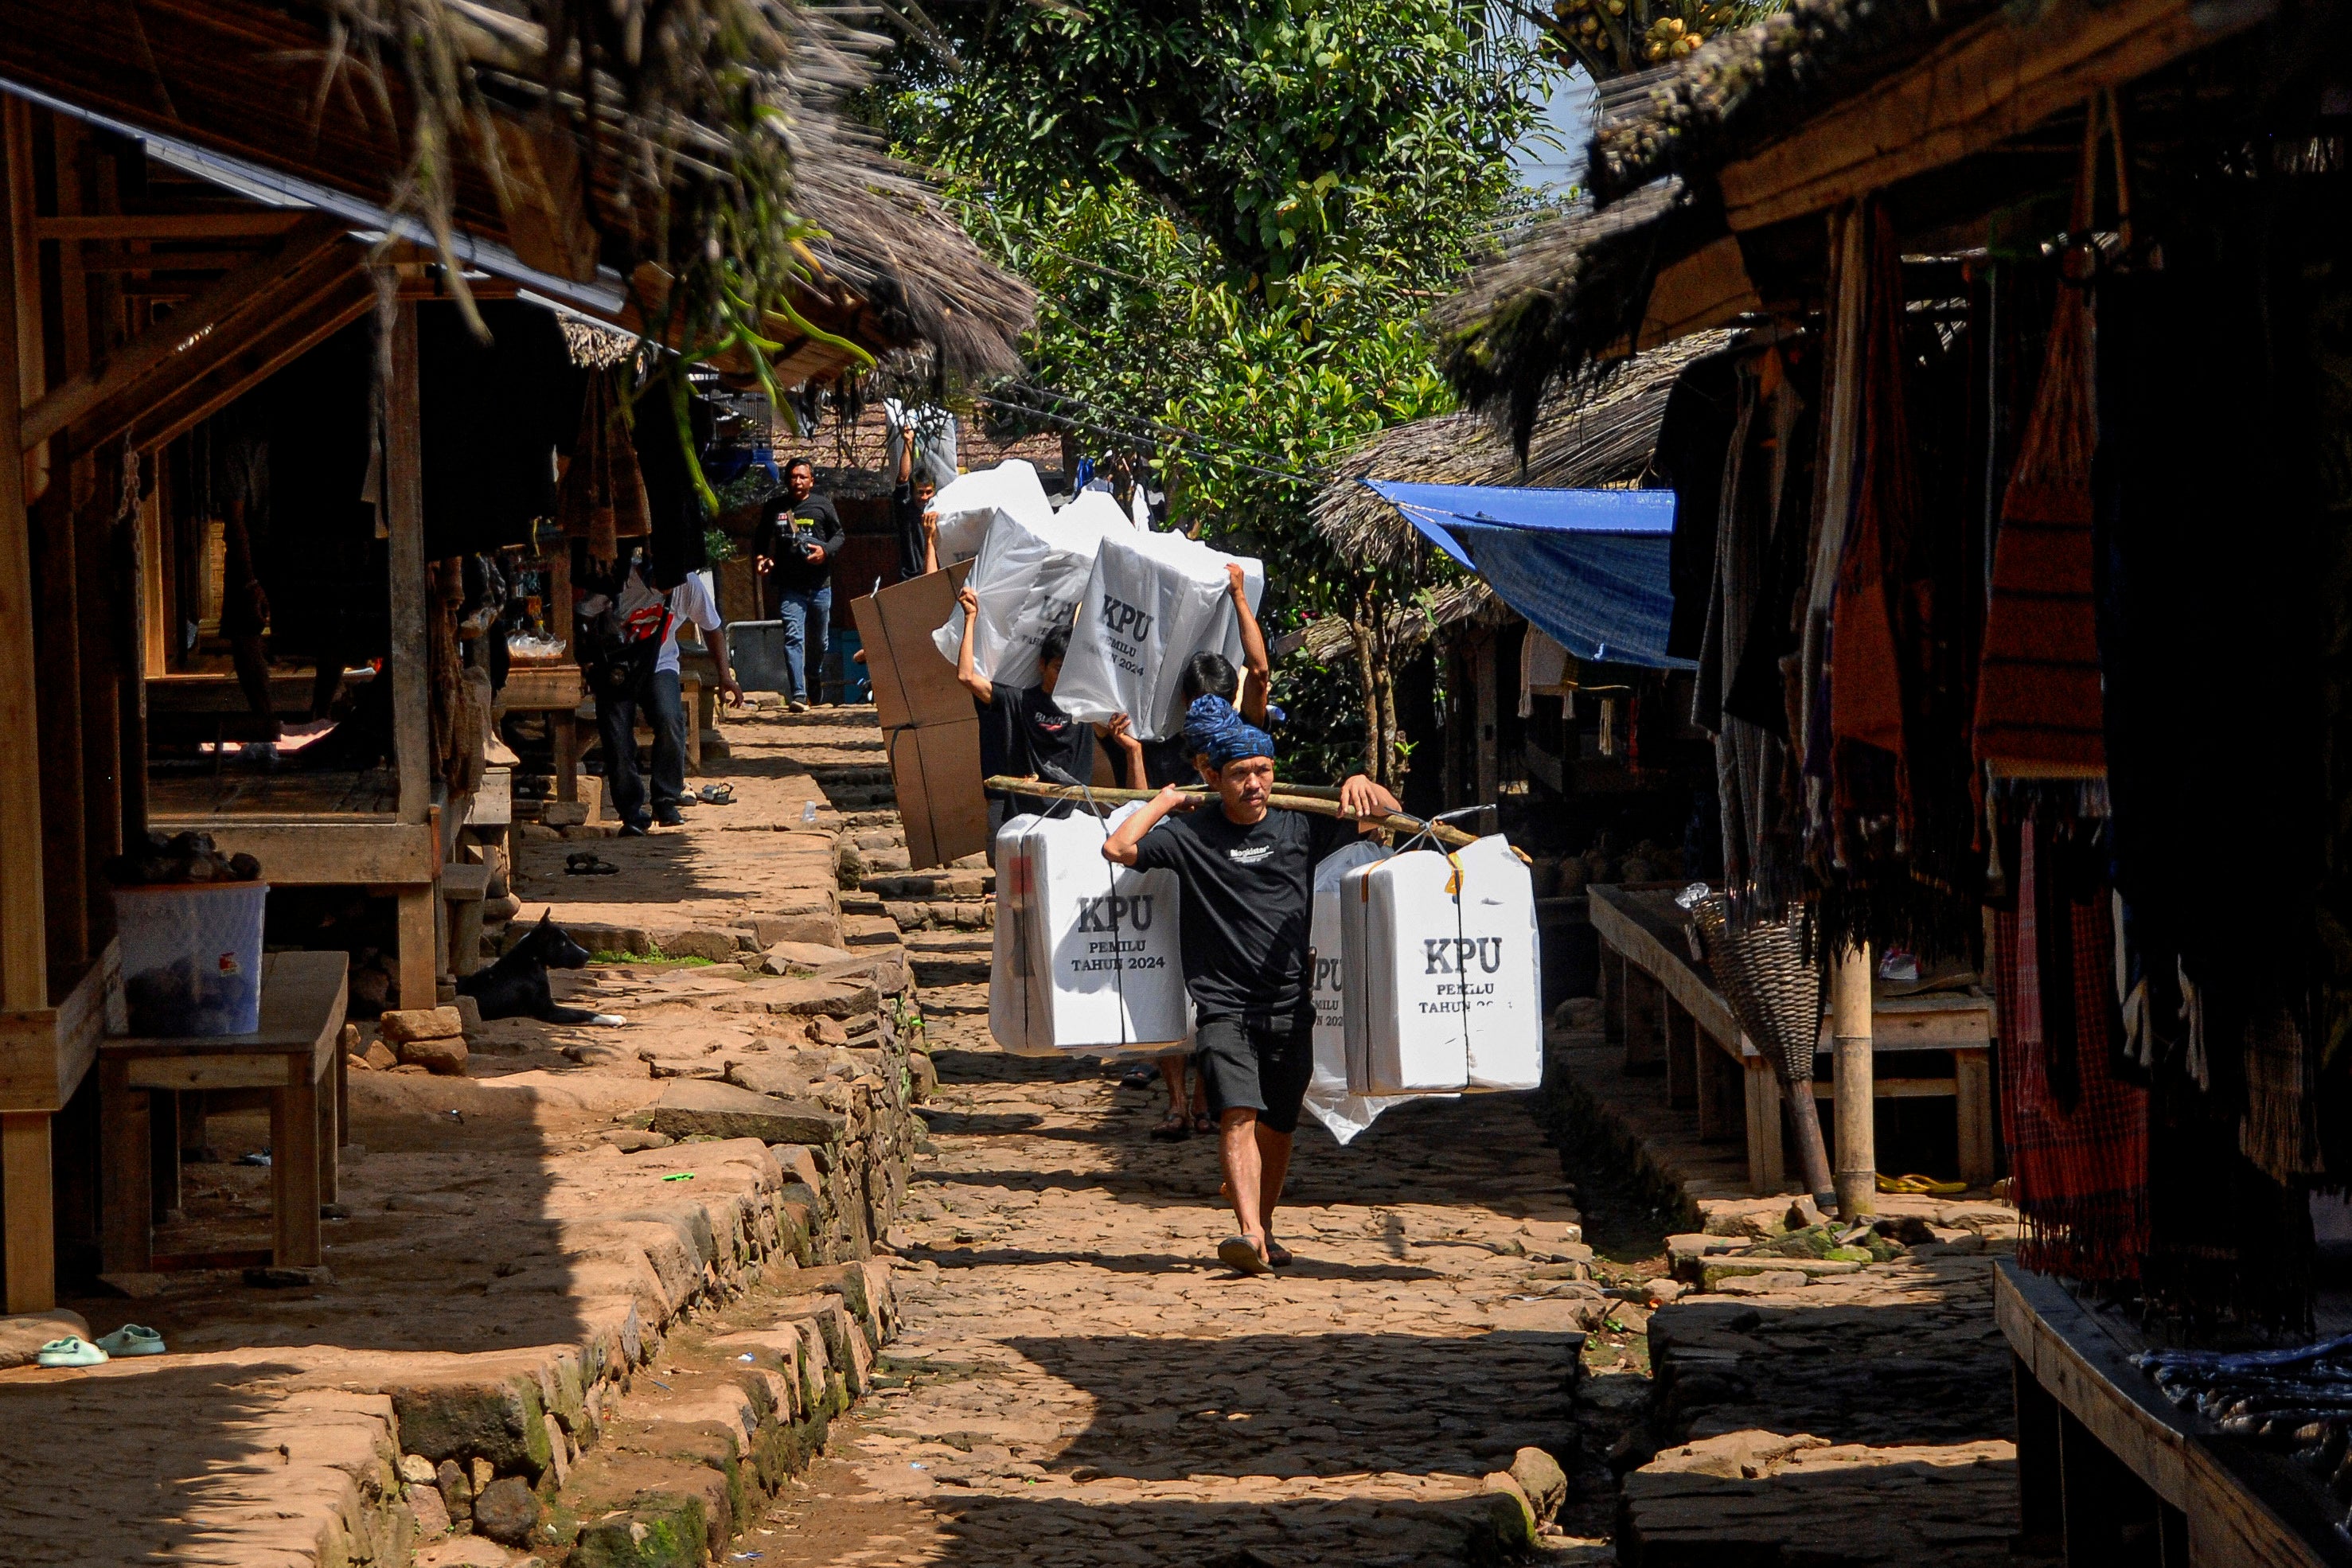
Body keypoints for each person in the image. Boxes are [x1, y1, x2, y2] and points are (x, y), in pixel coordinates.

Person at [1102, 696, 1398, 1276]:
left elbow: (1388, 816)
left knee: (1279, 1123)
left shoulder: (1299, 825)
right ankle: (1248, 1232)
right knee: (1237, 1113)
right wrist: (1162, 802)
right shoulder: (1190, 836)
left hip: (1289, 1002)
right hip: (1223, 1005)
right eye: (1240, 773)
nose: (1255, 784)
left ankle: (1263, 1226)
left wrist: (1363, 784)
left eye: (1263, 770)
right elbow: (1117, 847)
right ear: (1213, 777)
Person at [1135, 563, 1274, 1137]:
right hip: (1195, 874)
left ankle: (1187, 1103)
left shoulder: (1232, 739)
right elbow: (1261, 670)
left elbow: (1259, 672)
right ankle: (1187, 1102)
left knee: (1190, 984)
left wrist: (1238, 596)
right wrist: (1239, 596)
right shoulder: (1182, 736)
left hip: (1206, 875)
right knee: (1188, 983)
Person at [956, 587, 1146, 826]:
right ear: (1042, 665)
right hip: (1026, 821)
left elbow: (1127, 749)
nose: (1064, 676)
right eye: (1058, 668)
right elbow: (966, 676)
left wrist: (1129, 744)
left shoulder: (1086, 711)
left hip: (1072, 823)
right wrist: (970, 618)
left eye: (1070, 669)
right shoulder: (1020, 701)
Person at [597, 552, 743, 834]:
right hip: (619, 666)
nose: (666, 590)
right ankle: (630, 812)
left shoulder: (689, 585)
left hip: (660, 664)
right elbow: (584, 614)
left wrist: (725, 676)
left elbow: (712, 627)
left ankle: (665, 799)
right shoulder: (619, 582)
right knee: (617, 736)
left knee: (670, 719)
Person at [754, 458, 844, 711]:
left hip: (820, 586)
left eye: (803, 477)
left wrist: (825, 552)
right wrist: (761, 559)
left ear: (811, 481)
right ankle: (799, 694)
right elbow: (761, 538)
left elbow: (839, 535)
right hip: (790, 587)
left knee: (820, 641)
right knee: (793, 637)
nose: (798, 481)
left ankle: (813, 674)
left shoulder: (823, 506)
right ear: (787, 480)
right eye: (793, 477)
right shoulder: (775, 507)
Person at [893, 439, 941, 582]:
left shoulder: (939, 511)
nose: (924, 497)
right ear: (913, 492)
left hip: (935, 574)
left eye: (928, 492)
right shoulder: (906, 511)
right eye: (920, 492)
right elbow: (903, 478)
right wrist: (908, 442)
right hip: (911, 578)